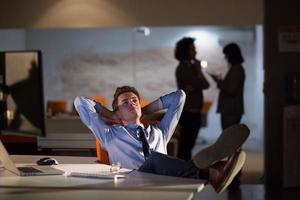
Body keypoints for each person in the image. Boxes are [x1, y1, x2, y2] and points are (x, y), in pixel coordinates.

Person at [74, 86, 249, 193]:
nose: (132, 103)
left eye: (135, 100)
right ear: (117, 112)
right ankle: (209, 172)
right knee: (155, 159)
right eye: (125, 103)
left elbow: (179, 96)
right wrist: (111, 115)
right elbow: (80, 102)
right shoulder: (109, 135)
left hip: (164, 179)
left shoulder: (160, 131)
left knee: (157, 159)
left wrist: (145, 110)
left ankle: (211, 170)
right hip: (131, 183)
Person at [175, 37, 210, 160]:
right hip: (188, 113)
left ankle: (184, 173)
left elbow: (206, 85)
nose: (195, 51)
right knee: (185, 147)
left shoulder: (192, 67)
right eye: (192, 49)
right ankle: (181, 175)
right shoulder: (183, 68)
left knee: (188, 146)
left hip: (195, 112)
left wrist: (198, 73)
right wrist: (198, 74)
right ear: (186, 51)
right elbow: (199, 84)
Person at [210, 43, 245, 130]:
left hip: (231, 110)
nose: (226, 58)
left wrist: (219, 81)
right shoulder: (236, 69)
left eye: (227, 55)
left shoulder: (237, 69)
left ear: (231, 55)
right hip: (231, 109)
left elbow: (231, 90)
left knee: (229, 139)